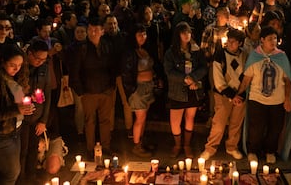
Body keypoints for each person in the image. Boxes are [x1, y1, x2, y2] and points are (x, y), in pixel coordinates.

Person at [236, 26, 291, 164]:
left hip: (277, 99)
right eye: (270, 39)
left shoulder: (281, 56)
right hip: (257, 99)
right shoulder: (254, 56)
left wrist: (287, 98)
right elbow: (246, 79)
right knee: (256, 128)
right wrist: (238, 94)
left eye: (275, 38)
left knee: (275, 128)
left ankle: (270, 151)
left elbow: (287, 80)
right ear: (262, 40)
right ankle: (253, 151)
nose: (273, 41)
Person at [0, 44, 32, 185]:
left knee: (12, 171)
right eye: (13, 65)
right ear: (2, 61)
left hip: (14, 130)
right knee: (11, 172)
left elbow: (15, 98)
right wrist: (17, 110)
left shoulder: (14, 77)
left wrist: (26, 103)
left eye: (20, 65)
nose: (17, 69)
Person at [69, 18, 116, 156]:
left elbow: (112, 67)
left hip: (105, 90)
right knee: (89, 121)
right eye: (90, 29)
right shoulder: (82, 49)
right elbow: (75, 71)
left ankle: (106, 146)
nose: (92, 32)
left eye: (95, 29)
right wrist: (80, 91)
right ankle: (90, 149)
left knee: (105, 120)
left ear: (102, 31)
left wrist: (111, 86)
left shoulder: (107, 46)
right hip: (88, 91)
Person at [200, 29, 247, 160]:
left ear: (240, 43)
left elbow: (247, 74)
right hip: (223, 94)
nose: (230, 44)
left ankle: (232, 147)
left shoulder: (244, 55)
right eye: (229, 41)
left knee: (236, 123)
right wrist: (232, 94)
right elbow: (218, 78)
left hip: (240, 93)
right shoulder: (220, 55)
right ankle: (210, 148)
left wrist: (241, 93)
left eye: (234, 42)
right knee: (219, 124)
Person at [163, 22, 208, 158]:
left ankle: (187, 145)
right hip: (177, 91)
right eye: (183, 33)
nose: (187, 35)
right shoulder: (171, 52)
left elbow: (204, 67)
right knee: (175, 121)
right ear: (178, 35)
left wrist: (193, 78)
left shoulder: (196, 50)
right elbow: (169, 72)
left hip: (193, 90)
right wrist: (184, 78)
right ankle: (177, 145)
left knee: (190, 117)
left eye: (188, 32)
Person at [120, 24, 155, 157]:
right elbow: (127, 73)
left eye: (144, 34)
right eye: (139, 34)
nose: (143, 37)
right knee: (139, 118)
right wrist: (132, 90)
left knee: (144, 117)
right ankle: (136, 145)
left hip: (148, 88)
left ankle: (140, 140)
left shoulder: (145, 49)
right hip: (138, 90)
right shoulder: (130, 53)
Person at [19, 40, 51, 183]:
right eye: (37, 58)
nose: (40, 62)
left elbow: (47, 95)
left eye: (44, 59)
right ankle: (21, 179)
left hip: (37, 117)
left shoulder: (44, 68)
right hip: (22, 117)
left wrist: (43, 120)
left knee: (33, 149)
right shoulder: (20, 68)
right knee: (22, 151)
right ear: (29, 53)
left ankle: (31, 177)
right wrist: (27, 97)